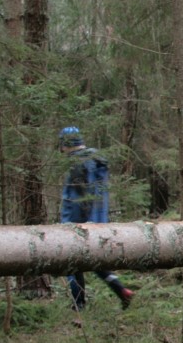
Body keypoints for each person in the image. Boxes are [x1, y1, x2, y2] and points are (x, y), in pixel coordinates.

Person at [58, 126, 135, 311]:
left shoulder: (79, 163)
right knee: (94, 261)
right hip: (98, 221)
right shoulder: (96, 160)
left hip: (80, 224)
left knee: (73, 262)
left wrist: (73, 225)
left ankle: (79, 304)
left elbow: (81, 200)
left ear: (65, 144)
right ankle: (121, 290)